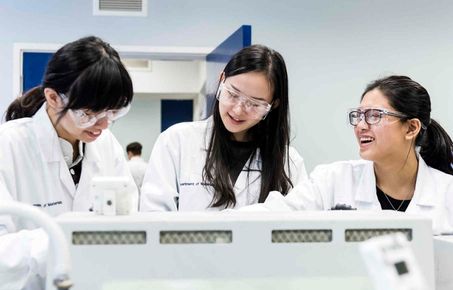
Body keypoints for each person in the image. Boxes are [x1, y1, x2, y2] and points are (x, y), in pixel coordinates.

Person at [0, 36, 138, 289]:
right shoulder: (7, 146)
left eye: (114, 112)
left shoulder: (107, 145)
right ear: (53, 98)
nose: (104, 124)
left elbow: (127, 220)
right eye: (89, 113)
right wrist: (69, 240)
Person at [261, 75, 453, 235]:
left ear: (411, 128)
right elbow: (274, 214)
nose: (361, 126)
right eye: (359, 116)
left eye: (374, 116)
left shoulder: (447, 194)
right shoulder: (332, 180)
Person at [140, 44, 307, 211]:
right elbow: (153, 218)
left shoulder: (289, 162)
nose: (238, 110)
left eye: (254, 104)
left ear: (273, 105)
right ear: (222, 80)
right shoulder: (176, 142)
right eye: (233, 94)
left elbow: (298, 228)